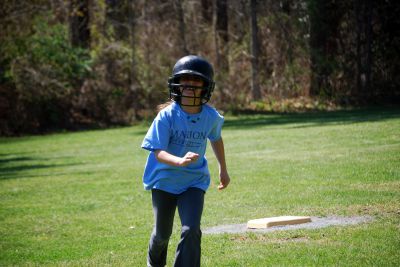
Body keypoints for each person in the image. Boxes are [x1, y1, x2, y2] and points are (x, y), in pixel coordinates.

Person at [141, 55, 231, 267]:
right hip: (164, 181)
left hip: (193, 181)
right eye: (185, 81)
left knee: (191, 229)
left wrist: (223, 170)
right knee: (162, 235)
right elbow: (158, 152)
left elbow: (216, 138)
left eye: (196, 81)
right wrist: (180, 161)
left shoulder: (210, 116)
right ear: (177, 85)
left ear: (205, 87)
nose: (190, 85)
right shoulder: (166, 116)